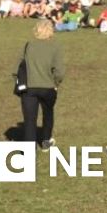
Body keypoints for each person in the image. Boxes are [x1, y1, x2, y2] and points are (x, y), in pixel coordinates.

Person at [14, 20, 65, 149]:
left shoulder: (28, 45)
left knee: (30, 121)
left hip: (29, 89)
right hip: (48, 88)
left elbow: (17, 67)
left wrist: (17, 81)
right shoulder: (55, 47)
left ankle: (29, 153)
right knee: (48, 114)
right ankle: (46, 142)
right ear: (51, 31)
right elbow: (59, 71)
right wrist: (56, 83)